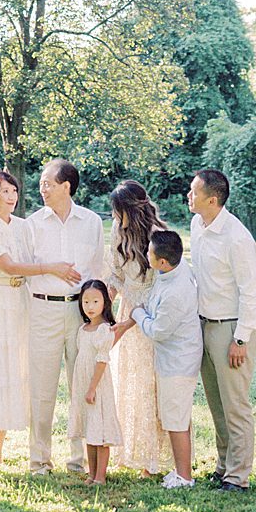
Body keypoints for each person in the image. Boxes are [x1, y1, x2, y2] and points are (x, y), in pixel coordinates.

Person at [0, 169, 77, 473]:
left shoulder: (23, 226)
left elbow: (33, 257)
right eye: (5, 191)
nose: (11, 197)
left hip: (21, 304)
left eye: (14, 191)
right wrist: (51, 269)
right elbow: (9, 266)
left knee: (12, 372)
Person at [188, 168, 256, 492]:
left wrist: (241, 339)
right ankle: (223, 467)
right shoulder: (196, 225)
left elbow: (252, 292)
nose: (188, 196)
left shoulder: (237, 237)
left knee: (235, 405)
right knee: (216, 403)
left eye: (194, 192)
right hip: (203, 324)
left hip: (230, 329)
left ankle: (238, 476)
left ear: (213, 199)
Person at [26, 157, 103, 474]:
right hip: (42, 309)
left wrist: (95, 316)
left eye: (48, 183)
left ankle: (78, 458)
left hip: (79, 311)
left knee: (80, 383)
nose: (42, 188)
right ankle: (39, 458)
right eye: (42, 183)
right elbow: (26, 268)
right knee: (41, 388)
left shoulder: (91, 222)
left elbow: (97, 267)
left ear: (66, 186)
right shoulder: (32, 223)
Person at [125, 226, 202, 490]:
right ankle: (182, 471)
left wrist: (137, 315)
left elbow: (157, 330)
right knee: (176, 416)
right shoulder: (169, 273)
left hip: (178, 362)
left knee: (176, 420)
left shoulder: (175, 292)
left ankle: (185, 477)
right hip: (173, 358)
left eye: (150, 252)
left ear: (163, 262)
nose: (146, 254)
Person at [105, 179, 171, 475]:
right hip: (126, 312)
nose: (116, 217)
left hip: (150, 317)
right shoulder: (118, 232)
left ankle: (152, 460)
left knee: (150, 387)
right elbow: (115, 275)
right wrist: (105, 316)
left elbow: (158, 287)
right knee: (128, 383)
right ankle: (128, 452)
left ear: (133, 208)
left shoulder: (159, 236)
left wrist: (129, 322)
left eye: (120, 211)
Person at [67, 279, 123, 486]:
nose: (90, 307)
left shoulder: (104, 330)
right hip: (83, 385)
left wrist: (92, 388)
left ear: (105, 303)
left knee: (100, 432)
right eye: (86, 302)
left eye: (95, 302)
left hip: (97, 386)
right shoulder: (83, 329)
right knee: (89, 432)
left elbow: (101, 361)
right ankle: (91, 474)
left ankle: (100, 476)